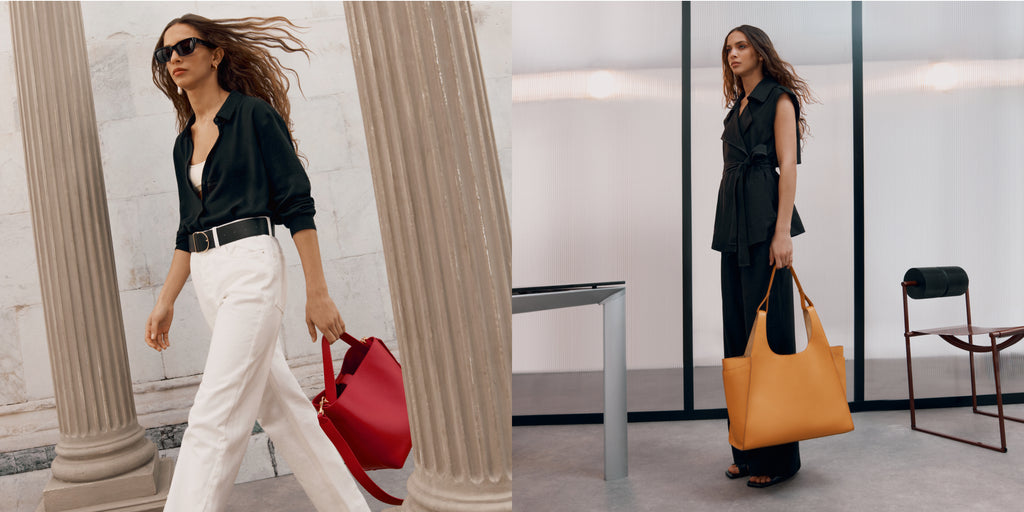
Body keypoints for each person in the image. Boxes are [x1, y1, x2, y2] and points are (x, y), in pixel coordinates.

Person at [144, 14, 370, 512]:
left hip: (251, 267)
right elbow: (187, 231)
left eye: (186, 47)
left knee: (213, 414)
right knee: (284, 410)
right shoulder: (184, 142)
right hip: (207, 274)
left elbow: (296, 204)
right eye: (166, 53)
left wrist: (317, 291)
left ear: (215, 54)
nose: (174, 58)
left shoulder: (253, 116)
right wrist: (165, 301)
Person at [712, 24, 815, 489]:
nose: (732, 54)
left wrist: (781, 233)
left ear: (759, 51)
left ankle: (779, 457)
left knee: (769, 340)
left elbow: (787, 166)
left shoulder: (779, 100)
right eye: (728, 49)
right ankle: (747, 449)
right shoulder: (737, 107)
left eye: (741, 46)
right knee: (738, 339)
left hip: (764, 228)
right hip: (733, 230)